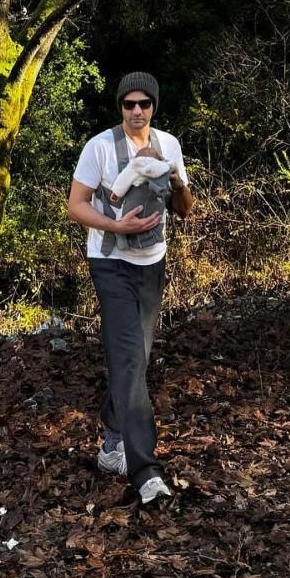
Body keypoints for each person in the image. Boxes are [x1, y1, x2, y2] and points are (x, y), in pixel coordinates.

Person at [67, 70, 194, 505]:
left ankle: (110, 440)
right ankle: (145, 471)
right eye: (129, 104)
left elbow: (185, 209)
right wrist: (116, 225)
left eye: (144, 103)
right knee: (129, 359)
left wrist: (176, 180)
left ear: (154, 107)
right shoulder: (100, 147)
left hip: (151, 263)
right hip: (110, 263)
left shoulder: (169, 145)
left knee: (135, 361)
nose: (136, 111)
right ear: (120, 107)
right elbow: (76, 206)